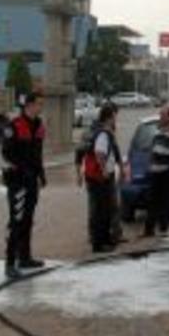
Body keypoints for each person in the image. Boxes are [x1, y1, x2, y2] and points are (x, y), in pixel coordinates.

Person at [1, 92, 47, 278]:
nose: (41, 107)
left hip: (32, 181)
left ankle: (25, 258)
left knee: (28, 219)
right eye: (38, 104)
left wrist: (41, 174)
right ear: (28, 105)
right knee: (16, 221)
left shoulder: (39, 126)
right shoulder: (14, 126)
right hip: (17, 181)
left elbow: (38, 153)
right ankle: (10, 263)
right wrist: (22, 169)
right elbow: (6, 153)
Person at [76, 102, 125, 245]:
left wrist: (120, 167)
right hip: (97, 176)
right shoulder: (98, 132)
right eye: (115, 116)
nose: (116, 119)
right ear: (109, 116)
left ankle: (112, 235)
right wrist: (79, 172)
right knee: (98, 208)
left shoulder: (108, 130)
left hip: (102, 174)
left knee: (110, 206)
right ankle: (97, 238)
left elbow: (114, 150)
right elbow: (81, 152)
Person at [144, 106, 169, 237]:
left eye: (163, 115)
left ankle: (163, 228)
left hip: (167, 171)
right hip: (154, 170)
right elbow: (151, 147)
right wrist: (150, 161)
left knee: (165, 200)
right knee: (151, 200)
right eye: (160, 115)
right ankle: (148, 230)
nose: (160, 117)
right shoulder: (156, 130)